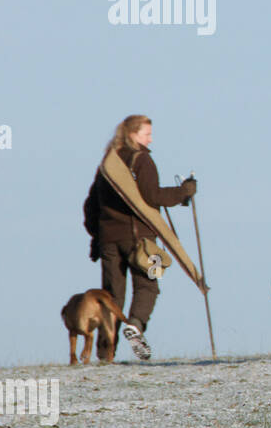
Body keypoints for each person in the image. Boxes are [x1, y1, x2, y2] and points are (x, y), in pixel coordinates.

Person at [83, 115, 196, 359]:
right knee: (149, 284)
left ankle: (105, 355)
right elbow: (152, 197)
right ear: (133, 134)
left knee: (111, 298)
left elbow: (91, 205)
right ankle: (135, 325)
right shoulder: (141, 160)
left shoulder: (107, 164)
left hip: (108, 241)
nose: (150, 139)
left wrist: (96, 236)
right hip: (141, 240)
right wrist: (184, 192)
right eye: (146, 134)